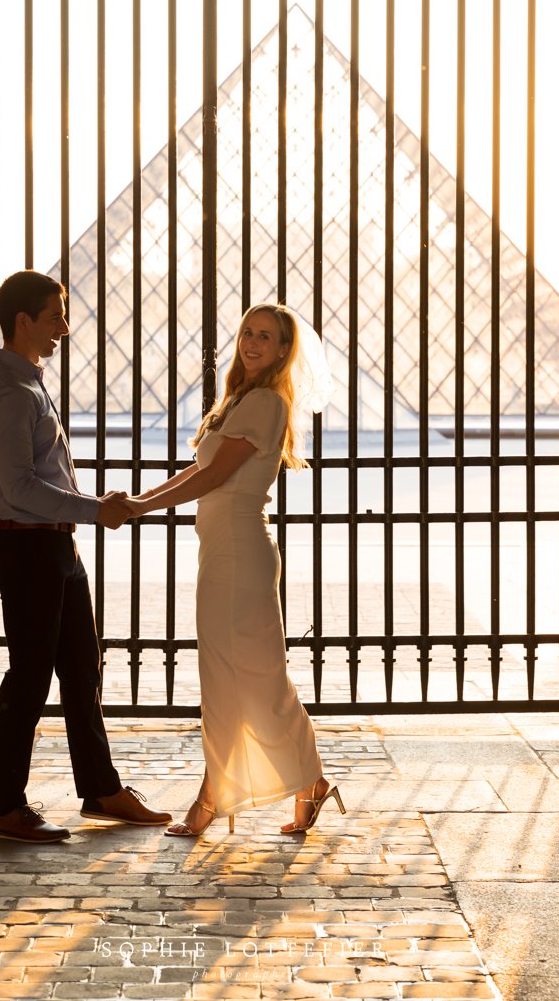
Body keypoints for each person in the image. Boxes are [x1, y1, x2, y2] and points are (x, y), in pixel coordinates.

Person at [123, 303, 344, 836]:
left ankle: (212, 800)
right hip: (224, 554)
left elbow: (211, 478)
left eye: (265, 337)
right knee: (238, 679)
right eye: (247, 332)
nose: (251, 342)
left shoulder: (266, 402)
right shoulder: (240, 401)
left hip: (239, 556)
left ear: (284, 351)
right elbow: (197, 471)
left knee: (251, 680)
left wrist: (138, 508)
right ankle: (305, 784)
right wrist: (138, 500)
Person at [0, 270, 172, 842]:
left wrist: (80, 518)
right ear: (23, 322)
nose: (65, 325)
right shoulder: (11, 392)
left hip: (53, 543)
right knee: (31, 676)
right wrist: (95, 510)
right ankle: (5, 806)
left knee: (82, 668)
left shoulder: (28, 383)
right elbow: (19, 489)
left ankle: (100, 789)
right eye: (55, 314)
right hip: (29, 543)